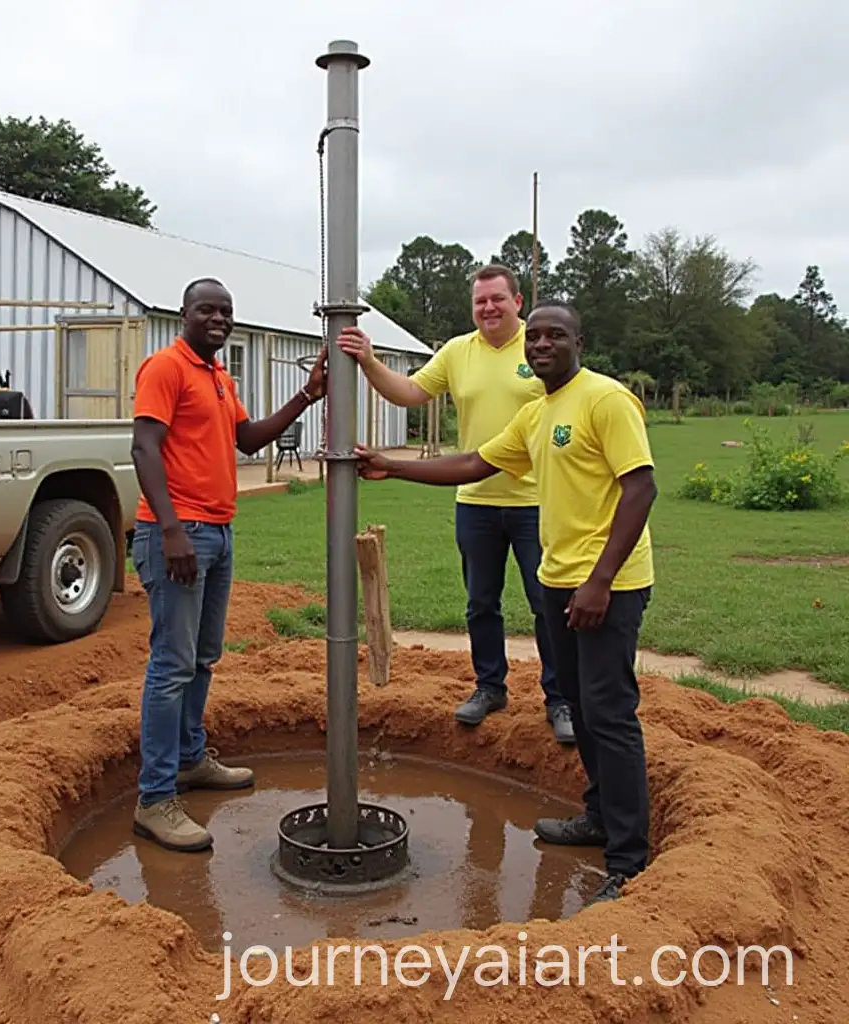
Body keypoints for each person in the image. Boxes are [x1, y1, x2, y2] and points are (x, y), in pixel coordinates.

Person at [354, 299, 657, 904]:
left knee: (610, 714)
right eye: (536, 338)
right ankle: (598, 816)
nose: (541, 344)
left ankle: (628, 860)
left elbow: (640, 488)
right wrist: (391, 465)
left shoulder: (605, 399)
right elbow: (474, 462)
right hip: (559, 578)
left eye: (555, 336)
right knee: (582, 706)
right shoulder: (539, 413)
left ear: (579, 341)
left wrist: (599, 581)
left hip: (608, 585)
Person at [129, 277, 327, 852]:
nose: (218, 318)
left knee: (204, 658)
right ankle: (155, 799)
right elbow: (143, 447)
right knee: (171, 665)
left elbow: (248, 439)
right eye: (206, 310)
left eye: (226, 312)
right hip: (180, 533)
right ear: (183, 314)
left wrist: (308, 397)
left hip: (217, 530)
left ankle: (190, 760)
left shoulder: (218, 376)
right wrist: (169, 530)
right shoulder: (164, 368)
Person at [338, 264, 573, 743]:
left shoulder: (540, 344)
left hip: (535, 502)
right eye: (480, 301)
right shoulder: (457, 352)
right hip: (476, 500)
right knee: (480, 604)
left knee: (546, 603)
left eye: (497, 299)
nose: (488, 308)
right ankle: (490, 687)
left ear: (518, 302)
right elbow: (409, 393)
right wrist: (368, 361)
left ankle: (561, 698)